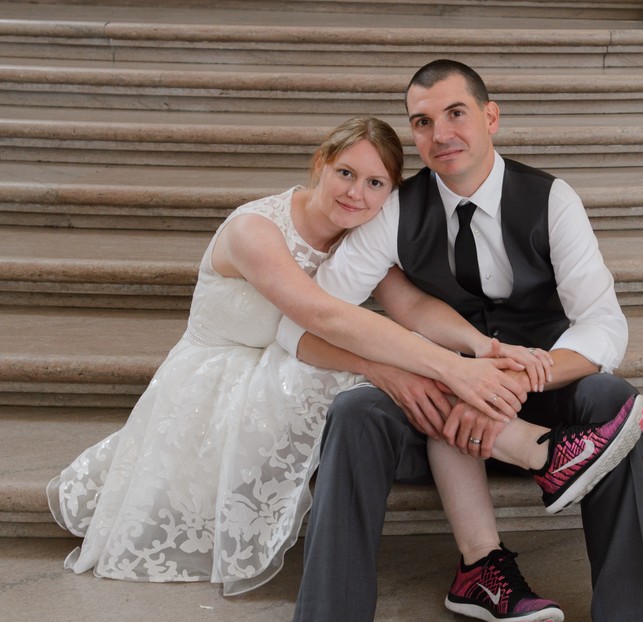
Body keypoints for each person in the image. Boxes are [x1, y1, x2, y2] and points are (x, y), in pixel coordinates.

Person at [46, 115, 539, 595]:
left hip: (293, 357)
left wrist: (481, 346)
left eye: (375, 183)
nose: (355, 194)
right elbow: (321, 317)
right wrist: (420, 367)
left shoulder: (357, 234)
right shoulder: (255, 229)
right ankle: (534, 449)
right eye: (345, 173)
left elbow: (409, 304)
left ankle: (512, 492)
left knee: (394, 361)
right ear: (320, 163)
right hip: (220, 374)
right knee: (362, 371)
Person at [281, 60, 643, 622]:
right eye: (422, 122)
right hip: (438, 402)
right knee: (355, 412)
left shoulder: (551, 199)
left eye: (456, 113)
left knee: (612, 398)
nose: (440, 134)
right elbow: (313, 317)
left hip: (540, 393)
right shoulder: (394, 208)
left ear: (491, 117)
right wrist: (434, 378)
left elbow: (602, 325)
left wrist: (512, 383)